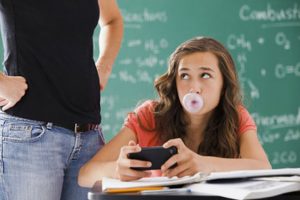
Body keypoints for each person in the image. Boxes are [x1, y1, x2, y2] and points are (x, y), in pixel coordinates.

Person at [78, 37, 271, 187]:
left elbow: (263, 168)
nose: (194, 87)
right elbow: (85, 175)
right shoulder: (150, 116)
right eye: (184, 76)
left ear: (224, 84)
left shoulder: (236, 116)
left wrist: (204, 164)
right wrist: (116, 170)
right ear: (174, 82)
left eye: (205, 75)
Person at [0, 0, 123, 199]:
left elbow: (112, 20)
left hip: (88, 138)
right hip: (30, 138)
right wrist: (3, 83)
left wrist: (104, 66)